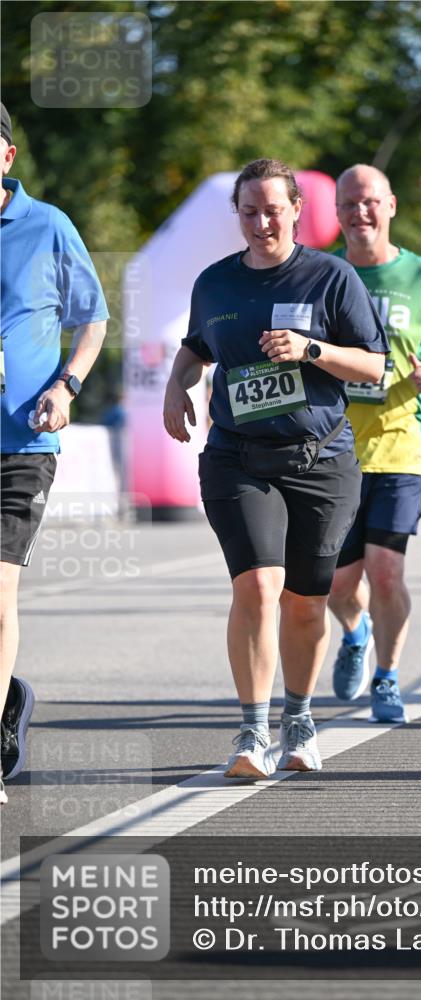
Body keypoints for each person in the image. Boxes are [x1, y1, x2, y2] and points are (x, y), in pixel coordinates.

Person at [163, 158, 388, 780]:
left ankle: (300, 717)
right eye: (249, 211)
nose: (262, 221)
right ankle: (251, 729)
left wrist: (311, 349)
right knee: (257, 586)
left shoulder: (332, 277)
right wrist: (175, 387)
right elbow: (196, 348)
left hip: (321, 461)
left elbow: (375, 368)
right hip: (238, 457)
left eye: (272, 209)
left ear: (296, 210)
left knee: (306, 602)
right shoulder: (214, 284)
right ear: (237, 215)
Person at [327, 164, 421, 723]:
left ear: (391, 206)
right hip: (334, 449)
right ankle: (355, 632)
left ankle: (387, 676)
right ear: (336, 213)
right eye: (348, 204)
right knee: (336, 586)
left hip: (401, 446)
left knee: (386, 570)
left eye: (370, 202)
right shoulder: (322, 274)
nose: (360, 212)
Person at [0, 103, 109, 804]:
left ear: (6, 157)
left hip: (21, 442)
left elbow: (93, 316)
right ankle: (10, 698)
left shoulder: (47, 226)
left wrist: (68, 385)